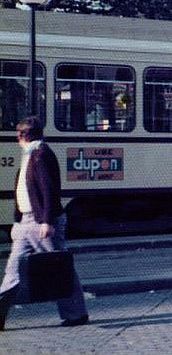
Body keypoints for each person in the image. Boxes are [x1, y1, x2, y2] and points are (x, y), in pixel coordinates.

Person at [0, 116, 89, 331]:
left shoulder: (41, 155)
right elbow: (24, 191)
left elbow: (49, 191)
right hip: (26, 222)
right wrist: (18, 220)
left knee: (60, 269)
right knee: (13, 272)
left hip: (41, 222)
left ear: (22, 136)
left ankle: (76, 313)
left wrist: (47, 221)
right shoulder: (31, 154)